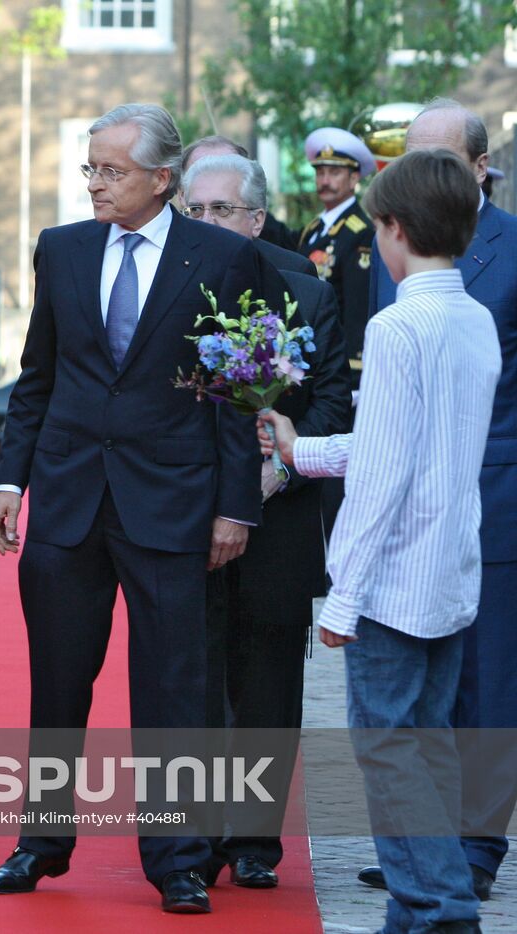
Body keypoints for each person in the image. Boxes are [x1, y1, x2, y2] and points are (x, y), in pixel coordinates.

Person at [0, 103, 278, 914]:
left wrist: (236, 507)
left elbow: (233, 396)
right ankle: (40, 844)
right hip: (70, 499)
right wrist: (11, 481)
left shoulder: (223, 256)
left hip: (174, 504)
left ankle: (178, 858)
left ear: (162, 179)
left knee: (173, 690)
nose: (95, 184)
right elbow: (36, 376)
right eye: (89, 167)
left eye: (111, 170)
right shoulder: (64, 248)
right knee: (58, 684)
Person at [260, 147, 499, 934]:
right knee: (424, 746)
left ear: (391, 229)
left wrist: (346, 594)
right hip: (451, 572)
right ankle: (421, 906)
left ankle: (437, 907)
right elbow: (408, 446)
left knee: (390, 751)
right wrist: (304, 451)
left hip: (397, 578)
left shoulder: (400, 325)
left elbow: (387, 471)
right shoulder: (475, 320)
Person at [359, 98, 517, 906]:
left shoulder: (508, 255)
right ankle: (428, 872)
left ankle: (467, 861)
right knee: (421, 716)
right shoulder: (403, 264)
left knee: (476, 695)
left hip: (485, 502)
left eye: (436, 158)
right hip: (423, 517)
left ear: (480, 167)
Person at [180, 155, 351, 888]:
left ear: (256, 220)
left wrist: (276, 470)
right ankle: (188, 839)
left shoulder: (310, 295)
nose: (210, 225)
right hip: (185, 519)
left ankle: (252, 841)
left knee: (269, 683)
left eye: (223, 211)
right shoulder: (167, 294)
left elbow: (333, 405)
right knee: (190, 674)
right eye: (197, 212)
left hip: (279, 521)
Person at [296, 127, 376, 392]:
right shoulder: (314, 229)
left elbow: (357, 307)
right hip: (312, 354)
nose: (325, 180)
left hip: (339, 362)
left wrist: (356, 369)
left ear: (354, 178)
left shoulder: (359, 232)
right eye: (320, 172)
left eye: (334, 172)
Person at [181, 136, 299, 254]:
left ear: (257, 220)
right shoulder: (166, 261)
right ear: (182, 195)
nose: (206, 221)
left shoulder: (284, 262)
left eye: (221, 208)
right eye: (196, 209)